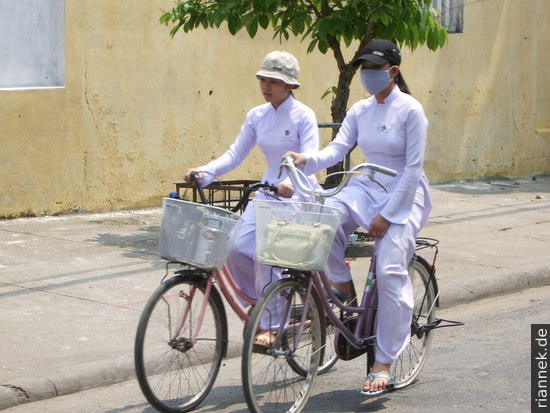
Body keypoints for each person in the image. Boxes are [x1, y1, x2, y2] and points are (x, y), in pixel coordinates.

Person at [285, 39, 431, 396]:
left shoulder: (411, 110)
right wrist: (308, 159)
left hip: (404, 191)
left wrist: (387, 215)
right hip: (367, 183)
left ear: (393, 72)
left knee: (390, 268)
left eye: (374, 69)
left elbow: (413, 169)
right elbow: (338, 147)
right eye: (363, 68)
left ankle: (383, 360)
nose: (367, 75)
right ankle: (343, 292)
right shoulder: (360, 110)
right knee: (325, 219)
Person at [184, 51, 320, 349]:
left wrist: (289, 183)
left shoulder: (303, 116)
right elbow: (235, 154)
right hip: (268, 192)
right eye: (263, 80)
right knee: (233, 247)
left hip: (297, 193)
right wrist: (205, 172)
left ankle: (271, 323)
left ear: (290, 85)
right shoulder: (257, 115)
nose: (267, 86)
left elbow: (310, 159)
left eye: (274, 81)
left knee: (266, 254)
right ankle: (263, 301)